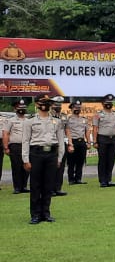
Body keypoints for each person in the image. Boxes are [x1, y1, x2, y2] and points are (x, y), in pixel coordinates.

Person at [23, 94, 64, 223]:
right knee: (35, 185)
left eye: (48, 102)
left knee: (48, 185)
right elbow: (25, 141)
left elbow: (61, 140)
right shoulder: (29, 121)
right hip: (36, 153)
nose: (45, 105)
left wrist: (60, 158)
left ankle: (45, 213)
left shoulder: (56, 121)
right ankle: (35, 214)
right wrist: (25, 159)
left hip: (51, 154)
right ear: (37, 104)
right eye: (43, 102)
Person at [93, 94, 115, 187]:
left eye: (110, 103)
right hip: (102, 138)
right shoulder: (98, 114)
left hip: (113, 139)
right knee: (102, 160)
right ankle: (102, 181)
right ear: (102, 103)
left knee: (111, 160)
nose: (108, 104)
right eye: (106, 103)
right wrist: (95, 141)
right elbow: (95, 128)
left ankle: (109, 179)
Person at [3, 100, 30, 193]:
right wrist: (6, 147)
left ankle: (24, 186)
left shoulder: (29, 120)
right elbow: (5, 133)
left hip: (27, 146)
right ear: (15, 109)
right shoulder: (11, 120)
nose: (21, 109)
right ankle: (17, 187)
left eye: (23, 107)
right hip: (15, 146)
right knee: (16, 167)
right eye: (19, 107)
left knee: (26, 166)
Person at [64, 100, 88, 185]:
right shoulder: (68, 119)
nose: (77, 109)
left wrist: (88, 142)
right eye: (75, 108)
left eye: (79, 108)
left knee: (80, 161)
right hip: (72, 141)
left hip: (81, 142)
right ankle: (71, 179)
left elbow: (86, 131)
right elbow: (67, 131)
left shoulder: (84, 119)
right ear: (72, 108)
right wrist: (70, 144)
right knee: (71, 162)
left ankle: (78, 179)